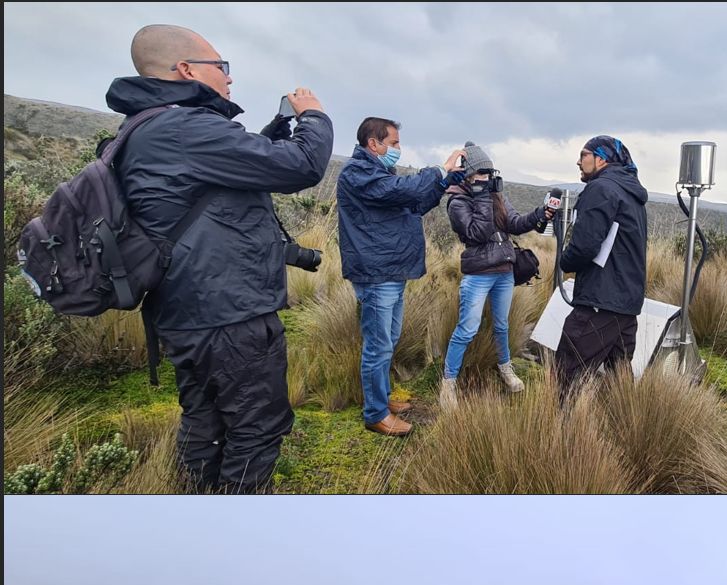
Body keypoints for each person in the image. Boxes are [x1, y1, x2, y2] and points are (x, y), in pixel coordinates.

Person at [106, 24, 333, 492]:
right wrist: (313, 118)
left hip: (187, 310)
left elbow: (223, 180)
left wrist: (271, 132)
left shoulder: (150, 127)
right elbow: (301, 167)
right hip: (227, 313)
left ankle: (199, 513)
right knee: (255, 426)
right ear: (186, 69)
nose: (229, 79)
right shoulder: (185, 127)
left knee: (205, 420)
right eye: (221, 67)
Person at [337, 118, 465, 436]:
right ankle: (375, 414)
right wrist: (438, 169)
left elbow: (415, 203)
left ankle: (381, 400)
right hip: (376, 272)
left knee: (388, 341)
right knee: (378, 345)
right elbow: (403, 190)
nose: (398, 149)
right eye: (393, 143)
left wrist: (441, 184)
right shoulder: (358, 173)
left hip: (390, 270)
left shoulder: (379, 175)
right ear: (373, 144)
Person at [438, 142, 555, 410]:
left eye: (490, 173)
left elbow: (514, 223)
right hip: (478, 274)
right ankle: (449, 384)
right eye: (482, 173)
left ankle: (505, 369)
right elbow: (477, 233)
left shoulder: (496, 196)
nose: (488, 178)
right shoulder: (457, 201)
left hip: (504, 271)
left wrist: (540, 214)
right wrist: (480, 196)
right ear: (468, 175)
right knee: (467, 329)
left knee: (502, 326)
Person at [557, 135, 649, 398]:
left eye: (583, 155)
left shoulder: (601, 189)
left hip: (599, 302)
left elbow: (586, 246)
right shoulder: (632, 193)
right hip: (626, 305)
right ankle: (626, 431)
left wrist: (566, 261)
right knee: (619, 381)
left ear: (601, 159)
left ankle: (559, 435)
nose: (578, 161)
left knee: (566, 375)